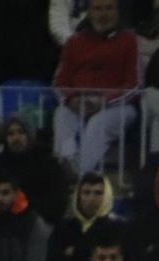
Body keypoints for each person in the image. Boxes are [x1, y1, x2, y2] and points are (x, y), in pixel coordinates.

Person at [51, 0, 139, 176]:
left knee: (97, 124)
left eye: (109, 8)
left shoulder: (129, 40)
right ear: (89, 12)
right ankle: (65, 166)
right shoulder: (74, 42)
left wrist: (102, 101)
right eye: (98, 9)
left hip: (118, 107)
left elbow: (133, 85)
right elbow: (59, 82)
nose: (103, 14)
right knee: (61, 116)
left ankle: (79, 174)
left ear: (117, 11)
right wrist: (73, 99)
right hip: (78, 103)